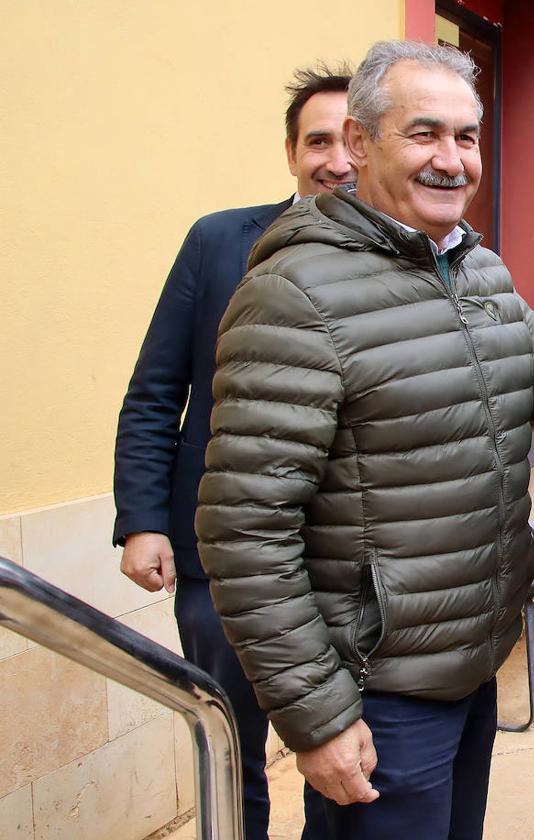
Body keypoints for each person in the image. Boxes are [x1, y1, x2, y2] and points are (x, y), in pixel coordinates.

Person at [193, 40, 534, 839]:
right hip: (377, 693)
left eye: (466, 137)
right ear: (361, 144)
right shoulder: (295, 294)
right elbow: (246, 532)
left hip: (469, 668)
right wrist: (320, 717)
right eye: (424, 133)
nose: (453, 160)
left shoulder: (477, 272)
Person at [112, 64, 354, 840]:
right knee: (229, 748)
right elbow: (157, 388)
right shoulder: (218, 242)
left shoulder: (401, 259)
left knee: (344, 762)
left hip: (342, 566)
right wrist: (144, 518)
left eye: (354, 140)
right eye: (318, 140)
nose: (337, 160)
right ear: (290, 152)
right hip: (220, 557)